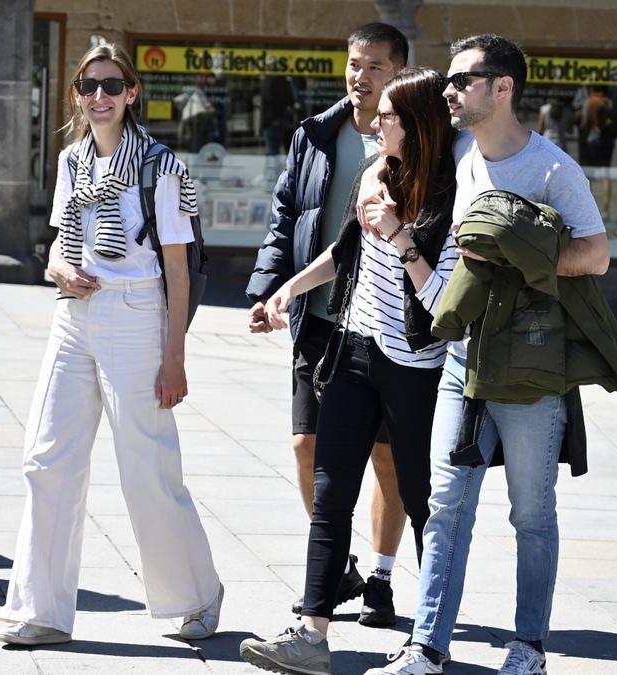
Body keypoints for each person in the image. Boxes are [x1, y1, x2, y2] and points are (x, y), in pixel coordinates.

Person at [366, 34, 615, 675]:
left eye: (460, 80)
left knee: (531, 511)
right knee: (446, 506)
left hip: (532, 368)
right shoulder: (464, 155)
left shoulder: (554, 169)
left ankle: (528, 644)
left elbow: (595, 254)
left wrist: (519, 255)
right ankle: (426, 644)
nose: (448, 91)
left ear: (502, 87)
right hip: (463, 359)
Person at [0, 43, 222, 646]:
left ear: (131, 94)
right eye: (88, 86)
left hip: (138, 315)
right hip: (74, 317)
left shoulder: (160, 166)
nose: (99, 96)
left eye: (112, 85)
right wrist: (58, 271)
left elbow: (178, 269)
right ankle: (41, 610)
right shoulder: (72, 162)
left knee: (146, 468)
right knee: (46, 460)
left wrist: (175, 356)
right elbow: (58, 247)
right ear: (76, 94)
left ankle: (197, 596)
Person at [238, 67, 460, 675]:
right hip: (354, 351)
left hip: (417, 368)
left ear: (414, 124)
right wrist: (287, 290)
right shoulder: (374, 173)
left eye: (388, 116)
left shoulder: (449, 194)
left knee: (423, 500)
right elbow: (344, 252)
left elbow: (444, 302)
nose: (376, 123)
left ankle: (430, 639)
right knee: (332, 493)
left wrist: (401, 234)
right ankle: (311, 634)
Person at [244, 22, 411, 624]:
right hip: (318, 318)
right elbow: (285, 214)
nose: (359, 76)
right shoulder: (315, 133)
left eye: (374, 67)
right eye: (353, 63)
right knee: (304, 446)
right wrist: (268, 291)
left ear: (399, 72)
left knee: (385, 460)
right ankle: (335, 568)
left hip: (383, 327)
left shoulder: (413, 142)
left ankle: (382, 576)